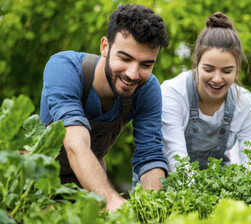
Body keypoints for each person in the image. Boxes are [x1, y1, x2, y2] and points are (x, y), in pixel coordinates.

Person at [39, 4, 169, 212]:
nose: (133, 74)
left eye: (146, 65)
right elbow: (75, 143)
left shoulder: (147, 89)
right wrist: (111, 200)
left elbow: (150, 155)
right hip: (37, 187)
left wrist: (153, 210)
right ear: (105, 47)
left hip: (91, 190)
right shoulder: (64, 68)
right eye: (125, 58)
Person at [160, 12, 251, 172]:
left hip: (215, 181)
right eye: (208, 69)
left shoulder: (246, 104)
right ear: (196, 64)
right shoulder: (173, 93)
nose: (217, 79)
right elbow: (177, 161)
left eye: (227, 71)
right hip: (166, 181)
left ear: (237, 71)